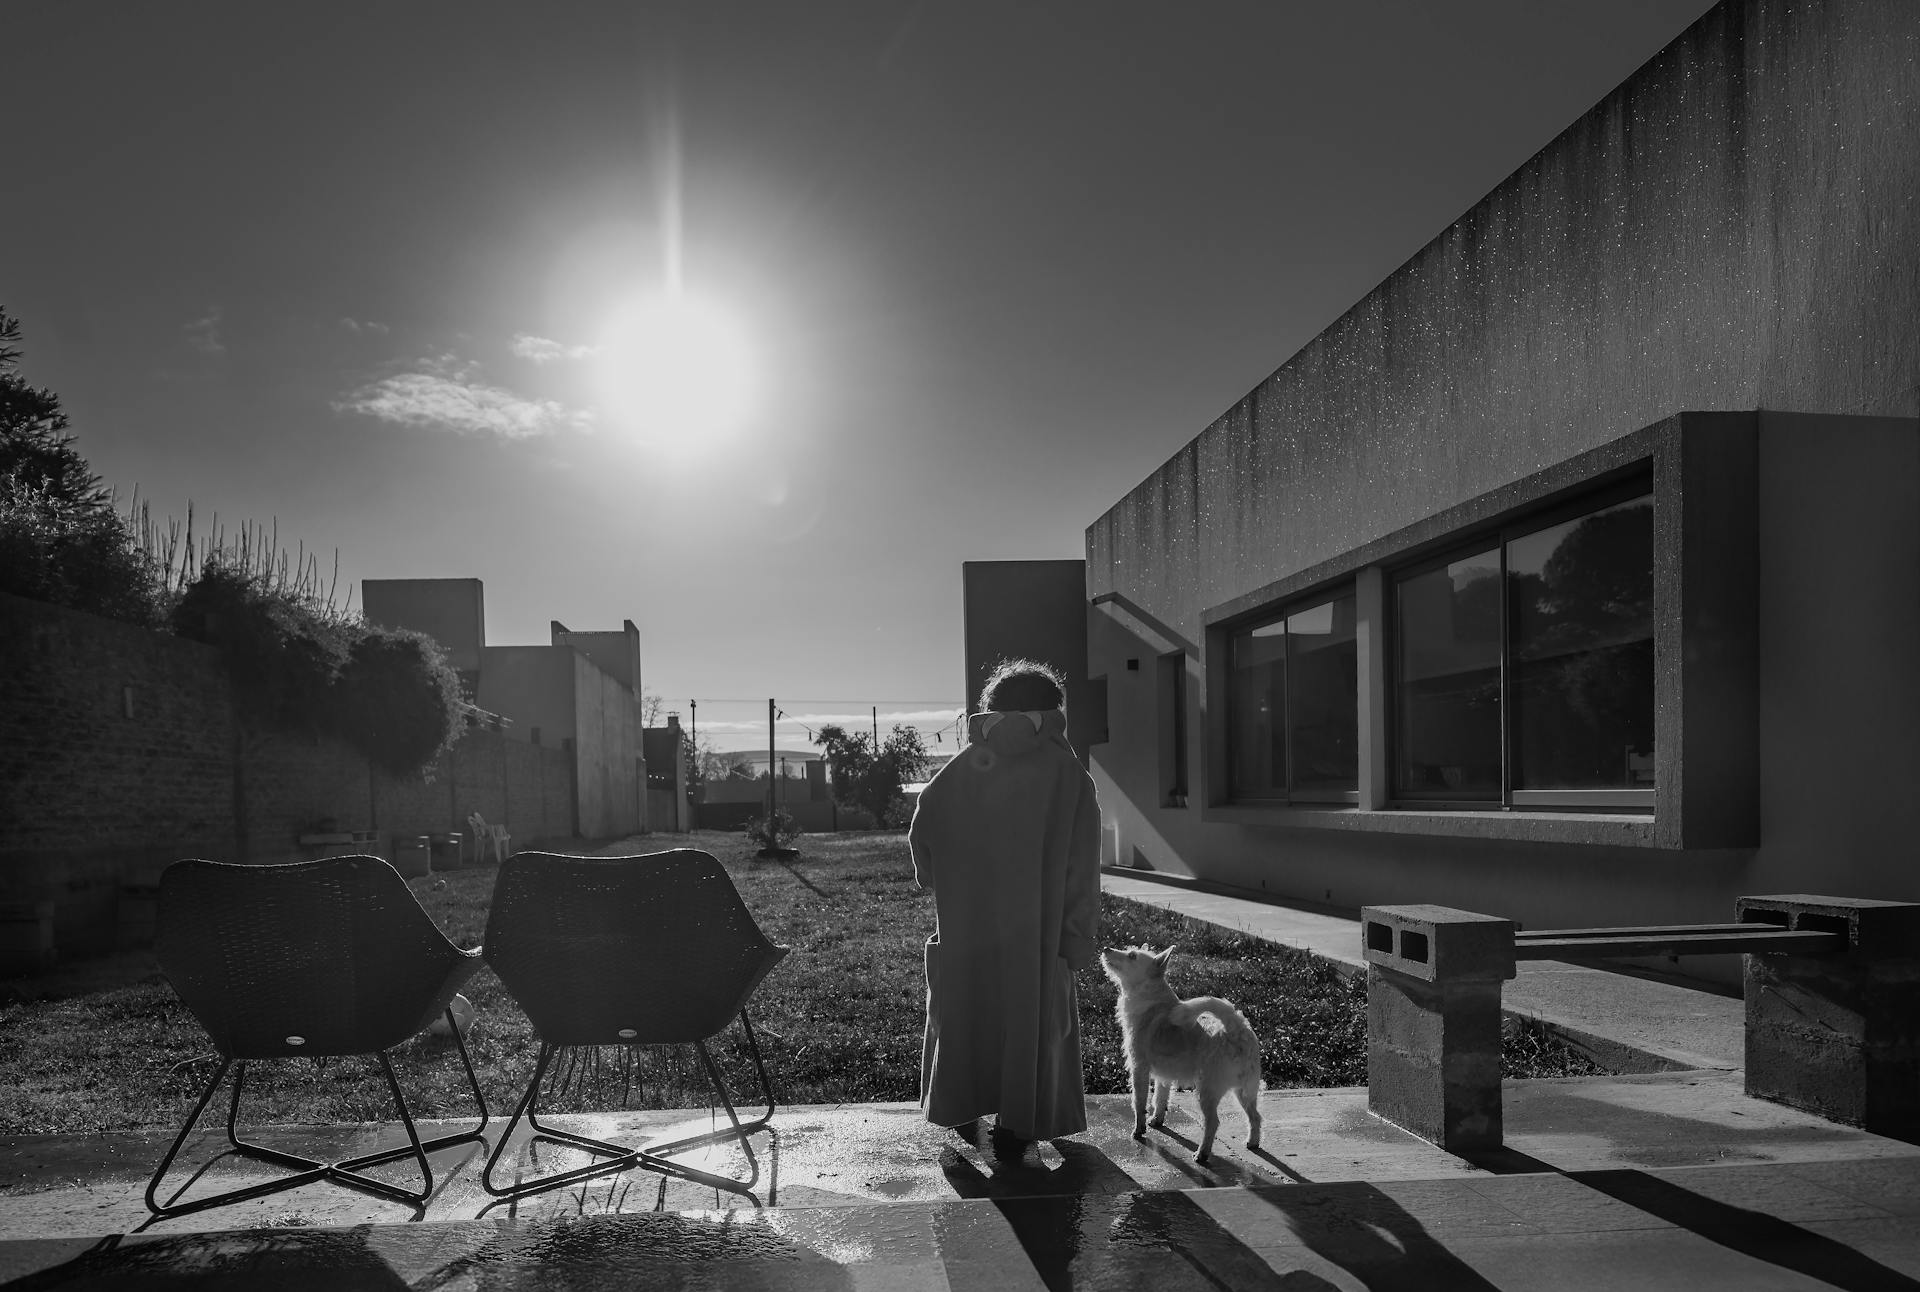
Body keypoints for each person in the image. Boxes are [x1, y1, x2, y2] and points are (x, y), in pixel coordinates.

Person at [907, 656, 1102, 1151]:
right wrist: (1077, 936)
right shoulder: (1066, 772)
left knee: (968, 1013)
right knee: (1034, 1020)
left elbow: (922, 829)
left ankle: (962, 1105)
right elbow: (1082, 865)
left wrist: (935, 877)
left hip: (968, 926)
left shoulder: (960, 769)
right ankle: (1021, 1123)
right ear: (1052, 711)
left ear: (989, 710)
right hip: (1037, 934)